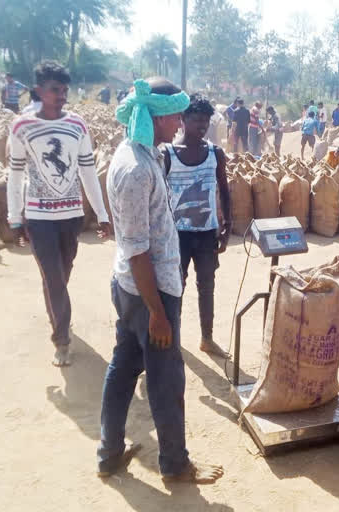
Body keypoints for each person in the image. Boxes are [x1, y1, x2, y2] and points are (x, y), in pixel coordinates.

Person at [99, 77, 224, 485]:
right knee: (167, 379)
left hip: (135, 287)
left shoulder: (138, 154)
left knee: (123, 367)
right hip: (149, 292)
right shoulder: (136, 169)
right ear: (154, 115)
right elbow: (137, 249)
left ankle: (110, 452)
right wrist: (158, 313)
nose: (179, 123)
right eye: (174, 115)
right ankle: (175, 464)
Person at [6, 61, 111, 367]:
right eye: (55, 90)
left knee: (60, 276)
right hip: (38, 219)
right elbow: (14, 175)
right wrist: (15, 218)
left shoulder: (77, 125)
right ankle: (62, 339)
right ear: (39, 91)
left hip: (71, 216)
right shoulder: (22, 127)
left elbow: (88, 172)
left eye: (65, 90)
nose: (62, 95)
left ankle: (57, 318)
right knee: (54, 279)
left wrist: (101, 213)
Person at [164, 94, 232, 357]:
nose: (202, 126)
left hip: (206, 234)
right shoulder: (168, 154)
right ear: (182, 120)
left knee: (207, 285)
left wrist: (227, 227)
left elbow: (225, 192)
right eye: (196, 120)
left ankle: (207, 338)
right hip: (176, 235)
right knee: (175, 286)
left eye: (205, 121)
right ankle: (174, 340)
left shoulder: (215, 153)